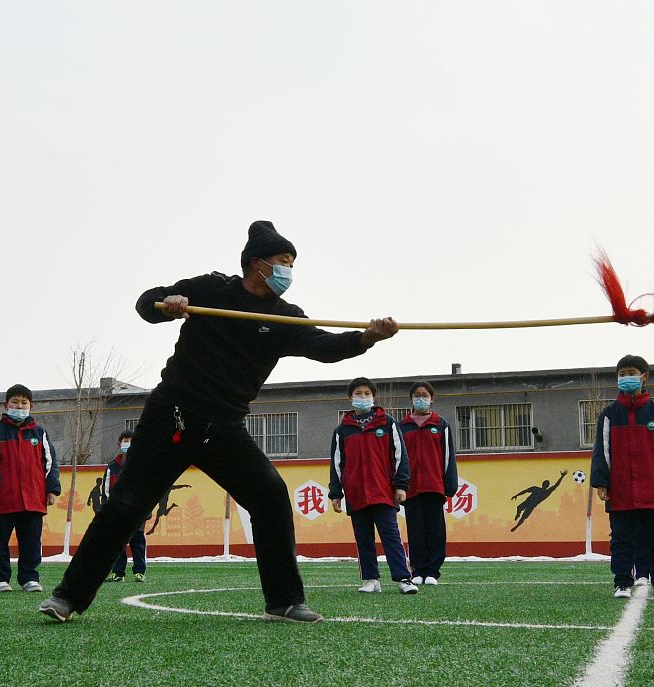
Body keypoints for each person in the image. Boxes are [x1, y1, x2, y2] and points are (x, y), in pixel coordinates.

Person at [39, 221, 398, 623]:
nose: (289, 270)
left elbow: (325, 347)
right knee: (125, 505)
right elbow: (145, 303)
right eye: (283, 261)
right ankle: (67, 598)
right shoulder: (211, 290)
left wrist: (367, 338)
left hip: (222, 429)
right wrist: (168, 303)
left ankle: (284, 601)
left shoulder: (285, 318)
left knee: (270, 496)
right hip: (170, 418)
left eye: (293, 263)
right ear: (257, 263)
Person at [590, 354, 654, 600]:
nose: (626, 378)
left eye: (631, 373)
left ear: (644, 376)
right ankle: (622, 583)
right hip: (620, 490)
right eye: (621, 374)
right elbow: (602, 450)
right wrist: (601, 481)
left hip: (653, 488)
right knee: (621, 540)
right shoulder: (609, 415)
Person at [329, 378, 418, 594]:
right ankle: (370, 579)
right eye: (358, 394)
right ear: (350, 398)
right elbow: (337, 464)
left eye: (367, 393)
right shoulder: (342, 430)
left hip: (383, 492)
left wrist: (401, 485)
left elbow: (400, 457)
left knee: (391, 536)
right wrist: (336, 493)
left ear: (373, 397)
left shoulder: (387, 423)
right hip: (356, 493)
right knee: (363, 538)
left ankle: (404, 579)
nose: (363, 397)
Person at [0, 384, 61, 593]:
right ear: (6, 405)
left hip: (33, 499)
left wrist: (51, 489)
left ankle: (29, 578)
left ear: (31, 406)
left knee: (31, 542)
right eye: (15, 402)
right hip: (3, 498)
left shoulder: (39, 433)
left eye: (24, 402)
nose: (19, 406)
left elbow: (50, 463)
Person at [397, 381, 457, 586]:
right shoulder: (401, 427)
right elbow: (396, 458)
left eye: (425, 395)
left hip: (434, 486)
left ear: (432, 399)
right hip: (411, 488)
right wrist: (399, 484)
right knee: (416, 530)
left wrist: (449, 485)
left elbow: (448, 457)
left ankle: (432, 571)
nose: (421, 398)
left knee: (435, 529)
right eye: (417, 395)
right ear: (411, 399)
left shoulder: (441, 425)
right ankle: (418, 570)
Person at [104, 431, 147, 583]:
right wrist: (107, 511)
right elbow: (106, 491)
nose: (127, 444)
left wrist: (145, 511)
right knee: (117, 544)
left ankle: (139, 572)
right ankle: (118, 573)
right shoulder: (112, 467)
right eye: (125, 441)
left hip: (136, 512)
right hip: (117, 512)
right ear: (119, 444)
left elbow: (147, 490)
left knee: (138, 543)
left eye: (131, 441)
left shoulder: (142, 466)